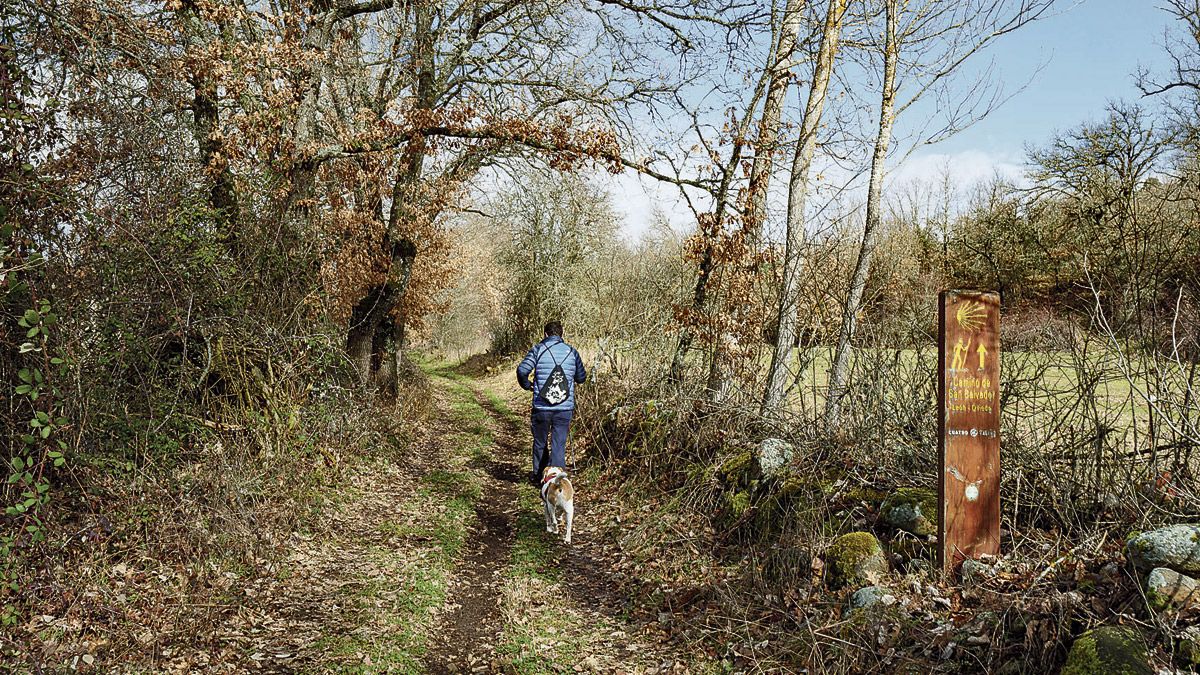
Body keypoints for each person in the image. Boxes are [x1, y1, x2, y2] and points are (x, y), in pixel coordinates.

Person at [516, 320, 587, 485]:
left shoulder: (538, 350)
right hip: (564, 407)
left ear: (545, 334)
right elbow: (581, 378)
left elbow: (522, 370)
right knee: (559, 444)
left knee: (540, 442)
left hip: (541, 406)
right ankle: (557, 480)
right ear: (562, 334)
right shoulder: (572, 352)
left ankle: (538, 477)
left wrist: (527, 385)